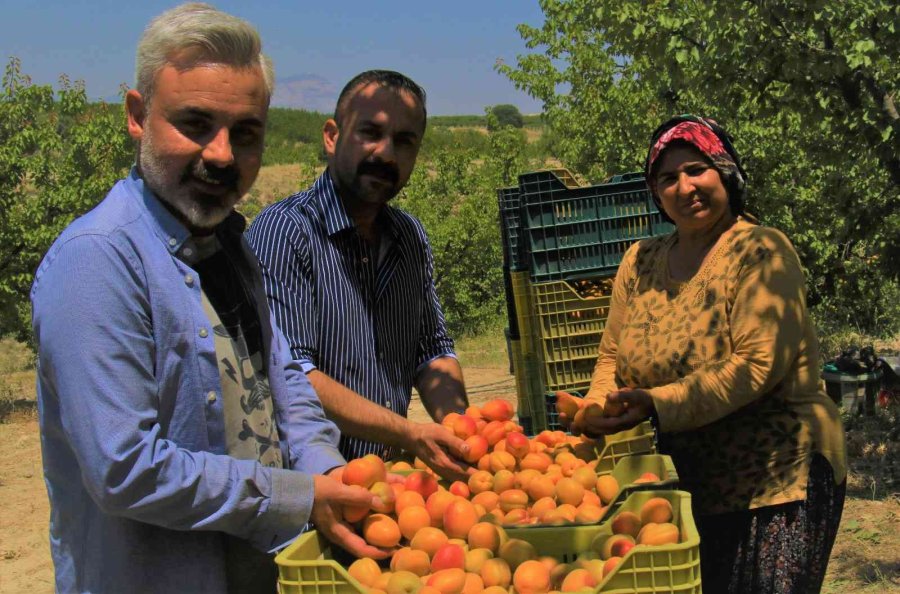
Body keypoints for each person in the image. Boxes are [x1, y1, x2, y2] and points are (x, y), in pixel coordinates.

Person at [31, 4, 386, 593]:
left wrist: (327, 470)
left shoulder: (227, 245)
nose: (221, 155)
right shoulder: (98, 261)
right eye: (195, 123)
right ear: (137, 116)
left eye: (244, 133)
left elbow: (281, 378)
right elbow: (125, 469)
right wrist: (297, 495)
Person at [569, 115, 847, 593]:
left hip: (776, 477)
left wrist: (658, 404)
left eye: (697, 169)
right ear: (655, 193)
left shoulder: (762, 251)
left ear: (725, 172)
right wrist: (596, 407)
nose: (685, 187)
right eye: (668, 178)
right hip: (687, 481)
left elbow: (755, 367)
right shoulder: (641, 260)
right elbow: (611, 357)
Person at [246, 71, 471, 480]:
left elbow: (432, 350)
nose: (386, 154)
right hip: (315, 491)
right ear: (331, 136)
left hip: (387, 489)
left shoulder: (408, 237)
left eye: (404, 142)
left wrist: (462, 430)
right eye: (370, 132)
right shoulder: (286, 233)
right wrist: (409, 434)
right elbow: (293, 376)